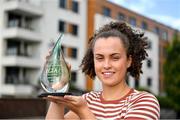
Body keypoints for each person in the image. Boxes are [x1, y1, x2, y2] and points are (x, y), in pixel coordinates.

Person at [44, 21, 160, 119]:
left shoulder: (145, 101)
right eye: (99, 58)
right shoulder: (88, 100)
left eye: (115, 58)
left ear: (129, 60)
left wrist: (84, 111)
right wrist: (58, 91)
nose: (106, 65)